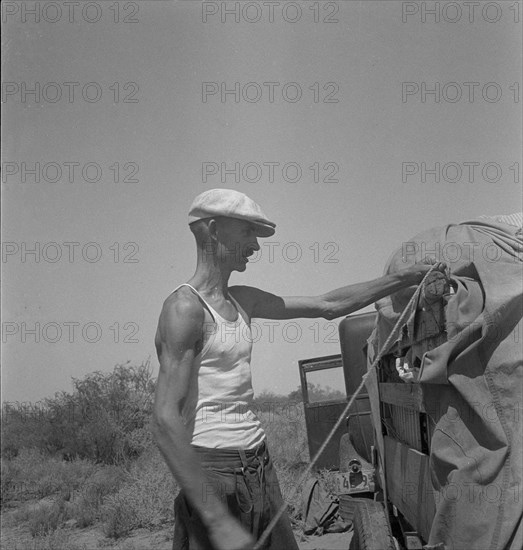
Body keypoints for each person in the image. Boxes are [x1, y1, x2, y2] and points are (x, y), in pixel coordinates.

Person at [152, 188, 446, 550]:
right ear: (213, 230)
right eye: (247, 232)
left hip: (257, 464)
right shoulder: (184, 309)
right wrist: (215, 518)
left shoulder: (241, 299)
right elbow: (165, 419)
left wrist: (405, 278)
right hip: (214, 472)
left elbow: (327, 305)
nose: (255, 246)